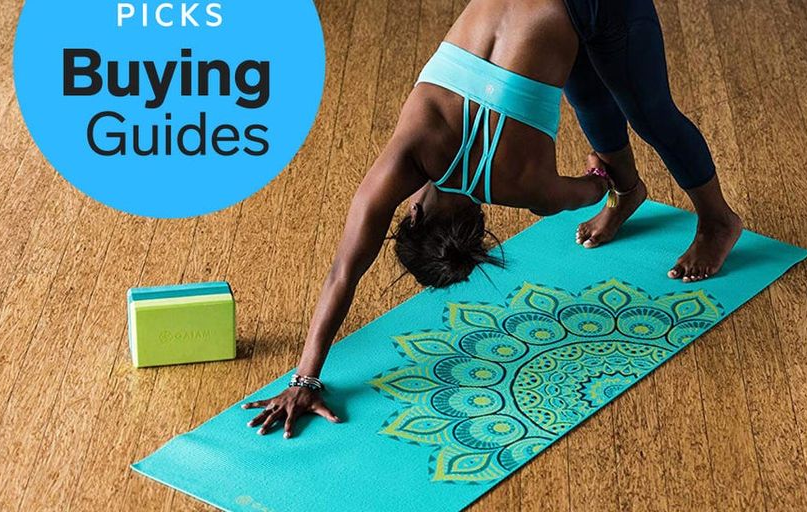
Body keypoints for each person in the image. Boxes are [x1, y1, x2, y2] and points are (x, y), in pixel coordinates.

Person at [242, 0, 742, 438]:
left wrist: (602, 182)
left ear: (479, 223)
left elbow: (590, 186)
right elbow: (343, 272)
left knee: (650, 113)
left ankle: (718, 221)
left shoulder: (527, 189)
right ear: (413, 210)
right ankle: (630, 197)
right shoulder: (409, 154)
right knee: (586, 89)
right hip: (572, 12)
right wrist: (303, 378)